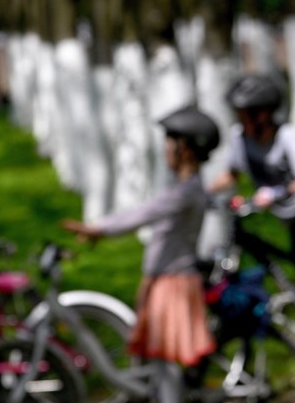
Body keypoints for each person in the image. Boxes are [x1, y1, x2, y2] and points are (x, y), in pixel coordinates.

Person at [62, 105, 220, 403]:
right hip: (166, 280)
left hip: (173, 284)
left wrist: (98, 229)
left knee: (168, 363)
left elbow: (143, 213)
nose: (165, 151)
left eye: (169, 144)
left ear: (185, 149)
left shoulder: (185, 192)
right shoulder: (188, 188)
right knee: (162, 364)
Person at [207, 73, 295, 297]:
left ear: (263, 114)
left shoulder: (285, 135)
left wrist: (280, 191)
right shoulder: (240, 138)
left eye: (245, 114)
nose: (241, 119)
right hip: (293, 212)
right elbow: (231, 174)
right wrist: (203, 192)